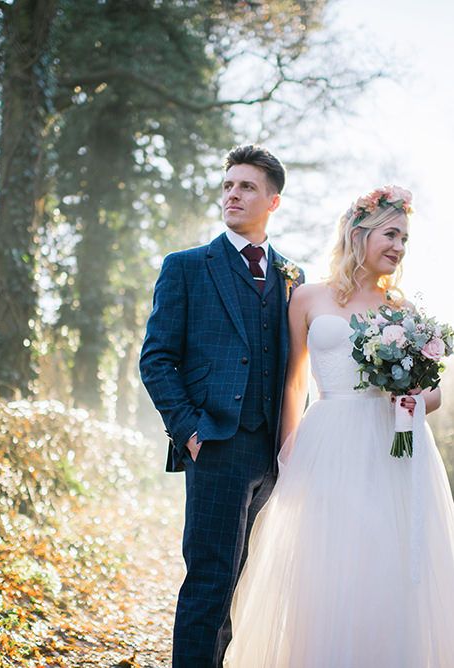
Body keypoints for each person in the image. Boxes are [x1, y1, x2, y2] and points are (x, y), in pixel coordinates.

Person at [224, 186, 454, 667]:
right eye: (391, 234)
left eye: (405, 239)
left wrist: (414, 399)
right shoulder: (307, 297)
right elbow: (293, 385)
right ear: (359, 233)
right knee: (328, 567)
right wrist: (289, 453)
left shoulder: (404, 310)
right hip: (327, 444)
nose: (399, 247)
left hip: (393, 450)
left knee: (384, 566)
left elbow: (433, 392)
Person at [139, 144, 304, 667]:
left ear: (273, 201)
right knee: (210, 580)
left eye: (247, 186)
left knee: (243, 583)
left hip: (273, 453)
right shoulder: (187, 267)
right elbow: (156, 358)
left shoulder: (291, 276)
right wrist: (188, 429)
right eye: (229, 184)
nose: (233, 194)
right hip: (215, 445)